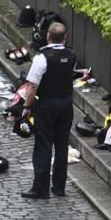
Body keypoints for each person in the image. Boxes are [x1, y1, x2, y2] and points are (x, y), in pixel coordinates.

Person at [20, 22, 76, 200]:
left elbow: (32, 86)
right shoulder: (71, 54)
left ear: (48, 36)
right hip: (66, 104)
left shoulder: (42, 57)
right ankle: (59, 186)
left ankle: (41, 188)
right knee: (61, 146)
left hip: (46, 105)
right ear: (65, 37)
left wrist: (27, 107)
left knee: (43, 146)